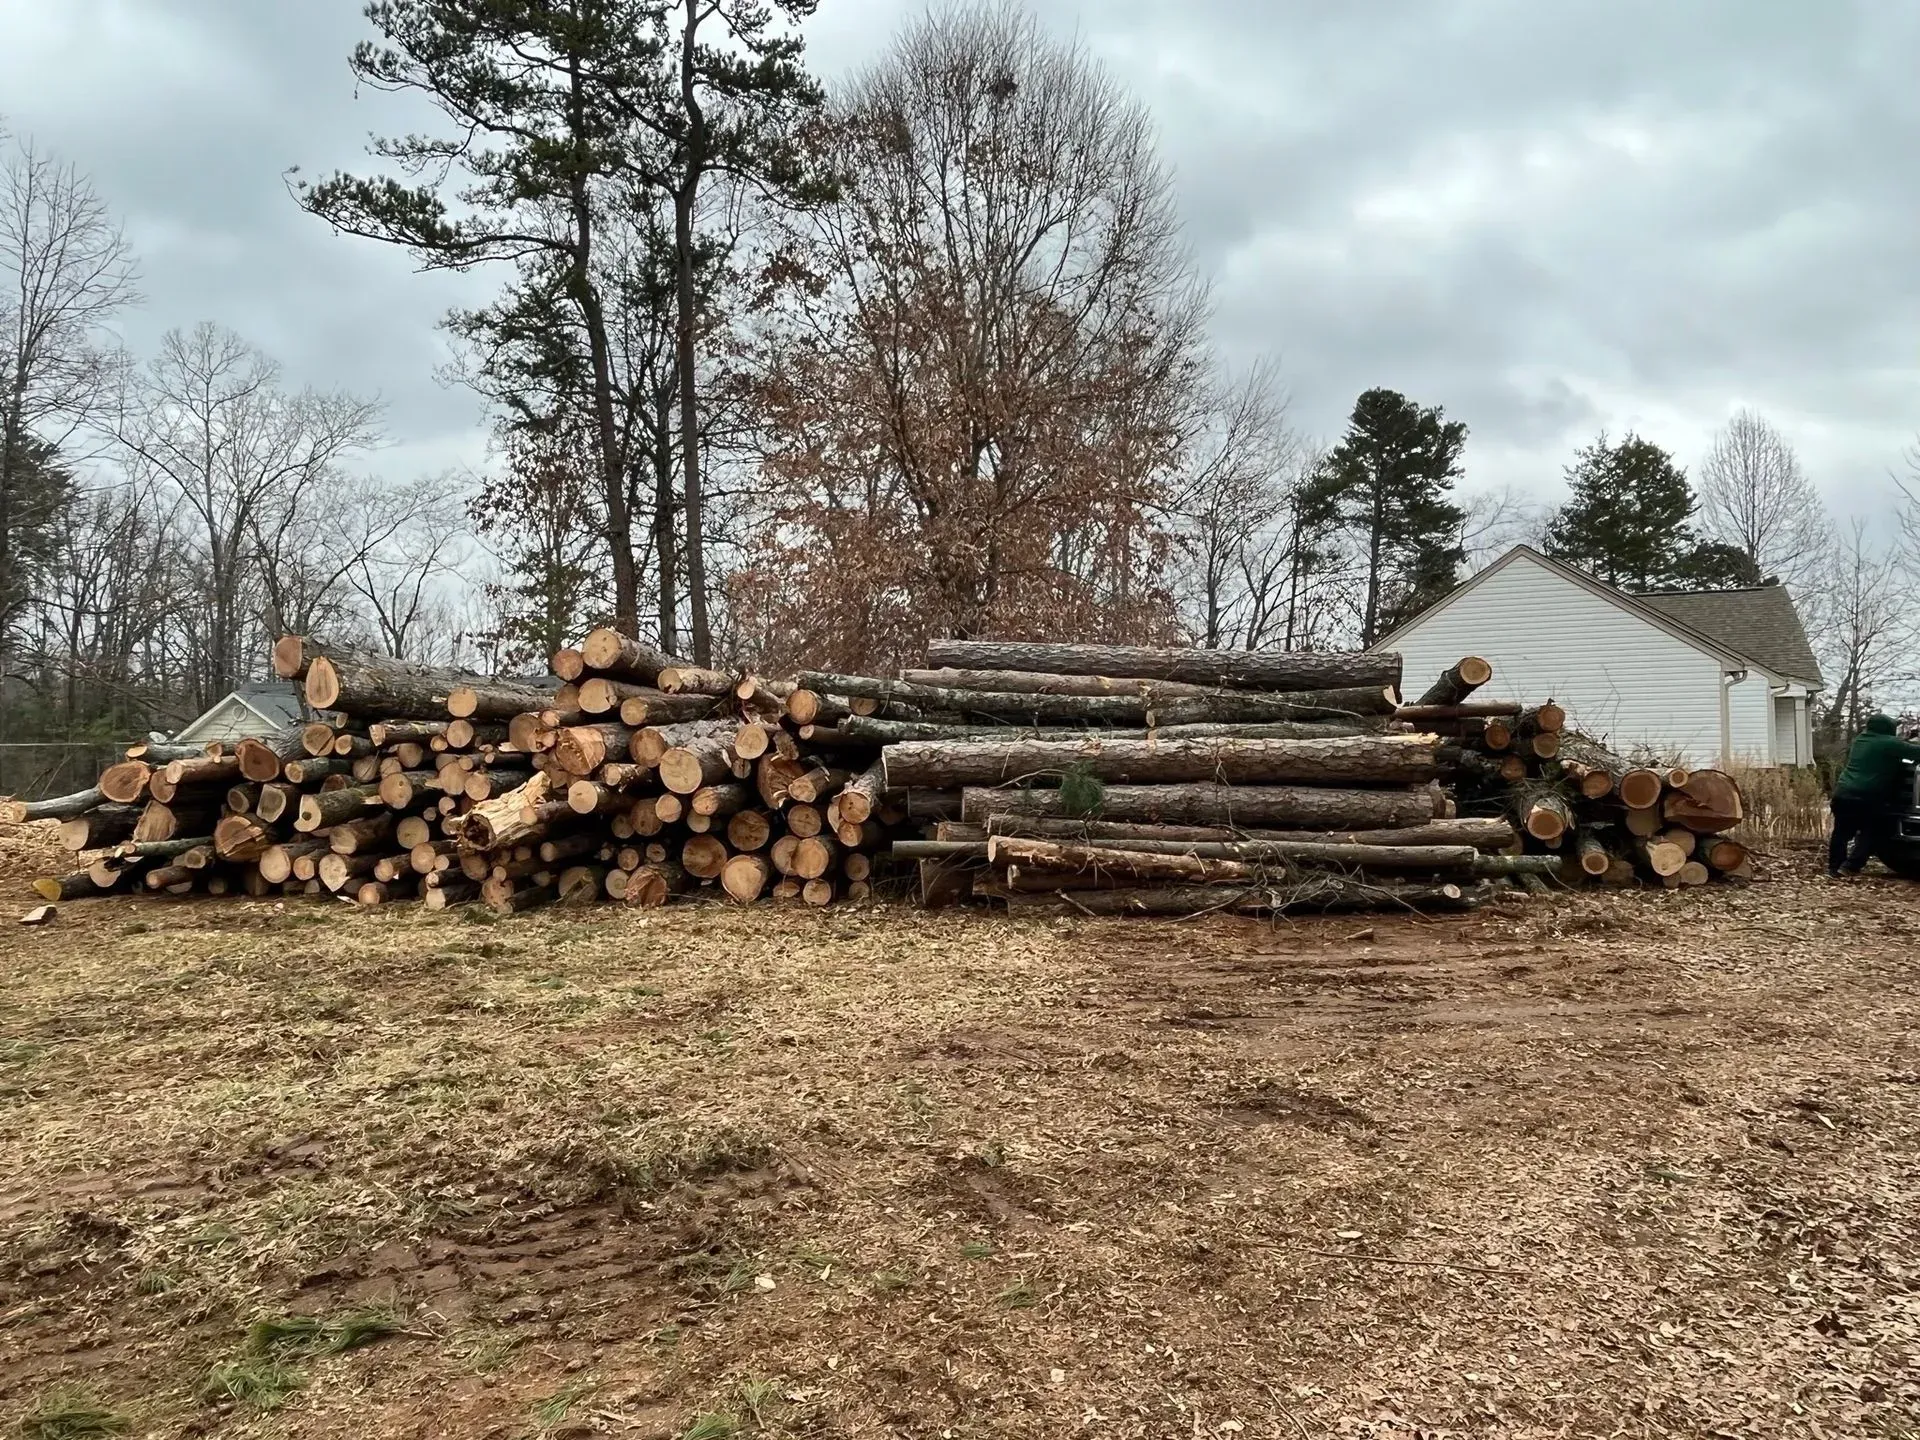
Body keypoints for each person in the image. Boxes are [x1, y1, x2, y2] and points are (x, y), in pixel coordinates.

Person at [1829, 714, 1920, 877]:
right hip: (1866, 796)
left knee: (1841, 833)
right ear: (1887, 728)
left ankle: (1835, 868)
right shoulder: (1889, 743)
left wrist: (1905, 740)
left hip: (1842, 793)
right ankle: (1851, 866)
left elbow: (1889, 750)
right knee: (1873, 831)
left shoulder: (1860, 741)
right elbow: (1916, 752)